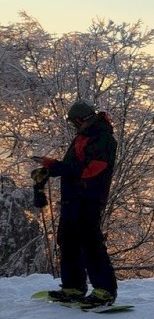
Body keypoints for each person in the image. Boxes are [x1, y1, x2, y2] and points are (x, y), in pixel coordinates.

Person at [32, 101, 119, 307]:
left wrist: (56, 167)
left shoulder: (103, 138)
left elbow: (92, 169)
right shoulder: (83, 137)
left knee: (91, 244)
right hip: (73, 198)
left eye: (74, 123)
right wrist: (52, 167)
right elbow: (74, 166)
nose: (74, 127)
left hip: (89, 198)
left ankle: (105, 291)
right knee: (68, 240)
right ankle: (73, 287)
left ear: (82, 120)